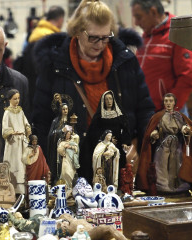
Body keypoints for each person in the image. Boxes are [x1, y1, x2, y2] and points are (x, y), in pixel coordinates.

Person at [32, 0, 155, 184]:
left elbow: (144, 109)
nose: (100, 44)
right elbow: (41, 120)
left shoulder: (125, 63)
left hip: (120, 165)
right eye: (93, 37)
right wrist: (47, 165)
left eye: (106, 37)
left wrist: (139, 145)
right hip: (71, 168)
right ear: (77, 31)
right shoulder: (54, 66)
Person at [131, 0, 192, 114]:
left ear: (153, 12)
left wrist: (168, 110)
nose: (136, 23)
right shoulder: (146, 36)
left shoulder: (177, 33)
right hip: (147, 112)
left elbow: (187, 77)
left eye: (139, 17)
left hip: (168, 114)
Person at [136, 93, 192, 193]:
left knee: (177, 164)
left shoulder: (179, 116)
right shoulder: (159, 116)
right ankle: (162, 185)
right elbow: (155, 128)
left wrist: (185, 129)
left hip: (177, 145)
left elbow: (184, 126)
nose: (168, 103)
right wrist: (154, 133)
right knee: (161, 165)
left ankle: (179, 185)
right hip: (163, 145)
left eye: (170, 101)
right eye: (166, 101)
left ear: (174, 102)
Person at [15, 6, 65, 110]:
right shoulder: (51, 40)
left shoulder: (35, 33)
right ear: (61, 20)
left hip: (30, 88)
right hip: (44, 91)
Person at [84, 90, 131, 176]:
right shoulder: (99, 116)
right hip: (103, 145)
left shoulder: (119, 114)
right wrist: (106, 139)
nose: (109, 101)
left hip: (118, 144)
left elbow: (126, 129)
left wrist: (125, 142)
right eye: (107, 99)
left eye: (110, 99)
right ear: (103, 101)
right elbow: (93, 131)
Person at [2, 89, 31, 194]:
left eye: (18, 98)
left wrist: (27, 128)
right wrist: (12, 132)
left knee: (22, 165)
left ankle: (22, 190)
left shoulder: (20, 111)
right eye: (15, 99)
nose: (17, 100)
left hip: (22, 142)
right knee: (14, 164)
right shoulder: (7, 113)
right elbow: (5, 129)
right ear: (10, 99)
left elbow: (26, 123)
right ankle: (13, 189)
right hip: (13, 143)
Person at [47, 100, 71, 183]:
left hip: (68, 148)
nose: (65, 111)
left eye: (66, 109)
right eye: (63, 109)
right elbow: (51, 135)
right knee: (59, 165)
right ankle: (58, 179)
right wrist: (61, 131)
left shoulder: (71, 121)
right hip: (58, 148)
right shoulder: (56, 121)